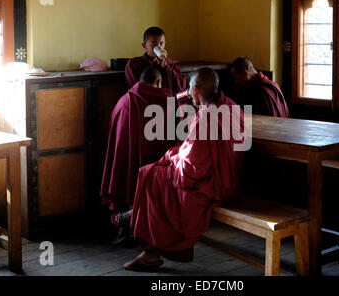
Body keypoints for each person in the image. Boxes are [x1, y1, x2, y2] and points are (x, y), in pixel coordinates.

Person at [117, 68, 245, 270]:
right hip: (228, 177)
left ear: (194, 89)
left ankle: (147, 244)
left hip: (209, 185)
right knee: (155, 172)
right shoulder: (230, 106)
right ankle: (138, 220)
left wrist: (171, 156)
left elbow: (191, 171)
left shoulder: (205, 118)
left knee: (151, 174)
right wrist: (177, 154)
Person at [100, 66, 176, 222]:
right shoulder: (169, 100)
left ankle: (129, 221)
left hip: (128, 160)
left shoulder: (124, 101)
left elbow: (116, 137)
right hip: (159, 164)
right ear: (159, 81)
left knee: (129, 180)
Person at [125, 26, 187, 94]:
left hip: (169, 100)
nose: (158, 47)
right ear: (144, 45)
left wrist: (165, 68)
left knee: (171, 101)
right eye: (154, 44)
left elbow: (181, 88)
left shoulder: (171, 64)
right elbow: (137, 89)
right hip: (147, 101)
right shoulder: (134, 64)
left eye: (161, 44)